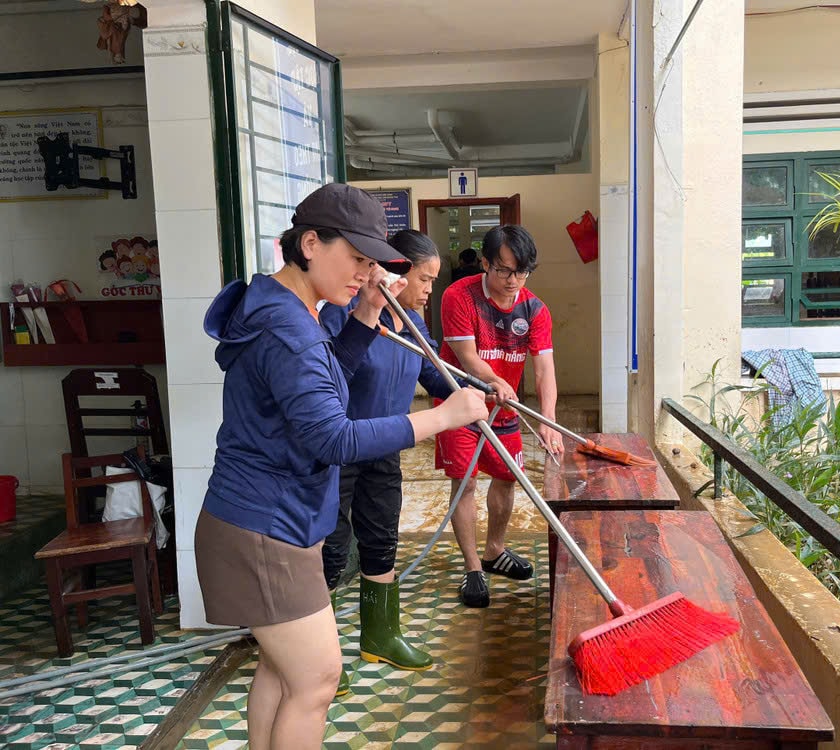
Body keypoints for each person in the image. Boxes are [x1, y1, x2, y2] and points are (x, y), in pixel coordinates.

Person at [194, 183, 488, 750]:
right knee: (317, 678)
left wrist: (368, 311)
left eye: (371, 262)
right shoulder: (289, 328)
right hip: (264, 528)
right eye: (356, 258)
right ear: (310, 243)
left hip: (272, 519)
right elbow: (331, 435)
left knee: (282, 673)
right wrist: (442, 417)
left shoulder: (290, 308)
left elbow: (332, 381)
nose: (364, 272)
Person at [320, 229, 455, 690]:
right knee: (331, 550)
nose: (428, 289)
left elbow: (438, 379)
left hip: (385, 449)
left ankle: (381, 635)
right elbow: (334, 376)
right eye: (425, 278)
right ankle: (318, 657)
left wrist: (485, 393)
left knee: (381, 541)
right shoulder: (346, 316)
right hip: (340, 452)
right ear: (397, 270)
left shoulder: (411, 327)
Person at [435, 224, 564, 608]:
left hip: (502, 407)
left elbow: (544, 369)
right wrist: (493, 380)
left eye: (522, 272)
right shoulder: (459, 296)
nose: (513, 281)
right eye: (505, 270)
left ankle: (494, 551)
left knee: (507, 477)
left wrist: (547, 420)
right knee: (466, 483)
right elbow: (467, 357)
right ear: (486, 263)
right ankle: (474, 568)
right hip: (460, 401)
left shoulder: (535, 309)